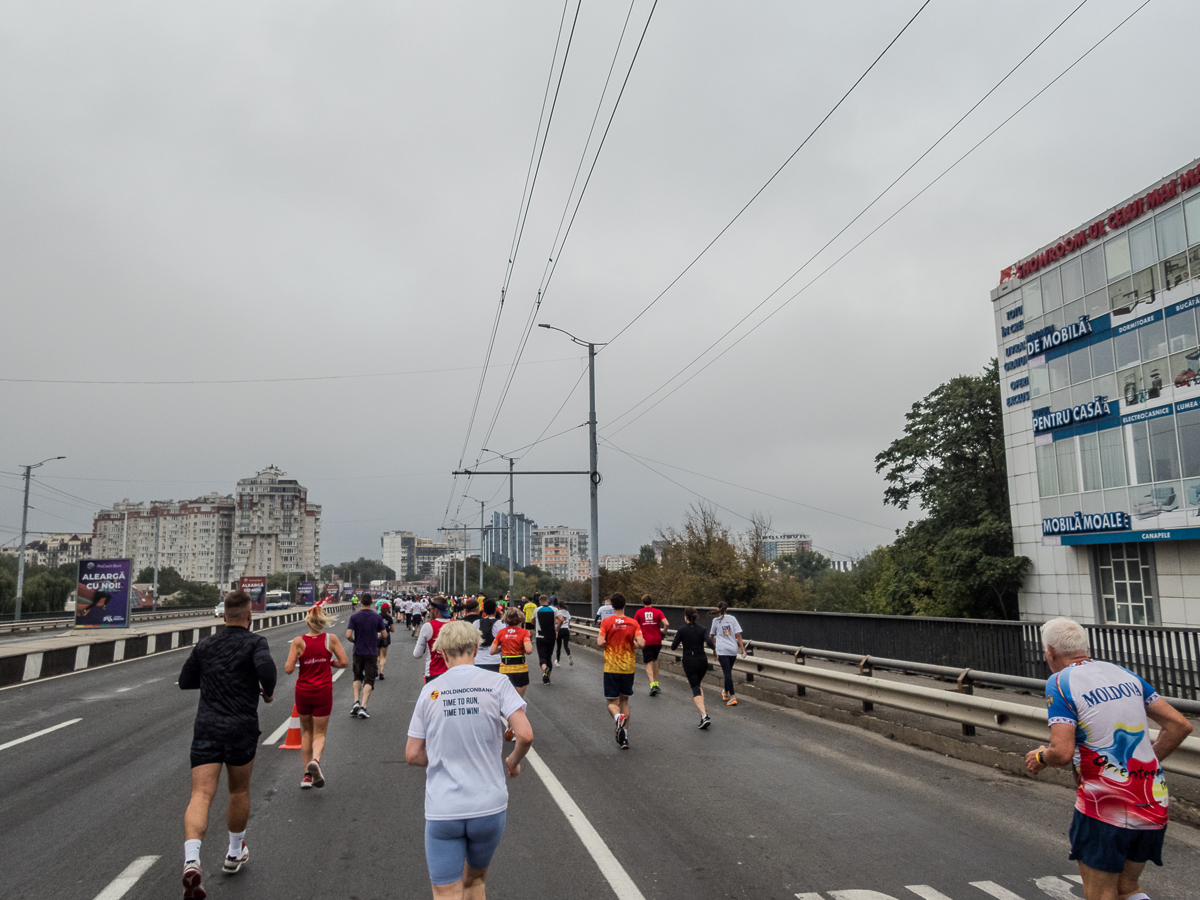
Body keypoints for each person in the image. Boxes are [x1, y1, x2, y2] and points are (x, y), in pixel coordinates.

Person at [1025, 617, 1193, 900]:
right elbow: (1180, 725)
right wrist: (1140, 765)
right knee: (1127, 888)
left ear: (1050, 652)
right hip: (1151, 797)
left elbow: (1062, 752)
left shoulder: (1060, 682)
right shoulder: (1123, 674)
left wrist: (1041, 756)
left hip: (1105, 804)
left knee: (1100, 893)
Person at [406, 621, 532, 900]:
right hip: (488, 805)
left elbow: (413, 754)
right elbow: (524, 734)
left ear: (441, 652)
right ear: (477, 648)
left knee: (445, 891)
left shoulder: (430, 691)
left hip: (444, 808)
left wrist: (444, 756)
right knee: (474, 882)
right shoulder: (497, 683)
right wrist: (512, 761)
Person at [178, 591, 276, 899]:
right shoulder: (255, 642)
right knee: (238, 791)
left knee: (201, 794)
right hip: (240, 729)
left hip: (206, 728)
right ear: (250, 617)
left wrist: (211, 680)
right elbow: (267, 671)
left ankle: (192, 860)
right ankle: (234, 852)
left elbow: (185, 680)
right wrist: (266, 690)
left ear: (223, 616)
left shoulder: (206, 645)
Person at [284, 605, 349, 788]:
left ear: (308, 622)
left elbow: (288, 670)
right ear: (323, 622)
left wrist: (300, 660)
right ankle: (316, 761)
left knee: (307, 733)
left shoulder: (298, 641)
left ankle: (306, 776)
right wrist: (329, 662)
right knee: (320, 733)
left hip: (303, 692)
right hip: (323, 692)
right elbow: (344, 662)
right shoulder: (331, 639)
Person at [596, 593, 644, 750]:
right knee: (624, 701)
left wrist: (608, 643)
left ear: (611, 606)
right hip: (628, 667)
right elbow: (642, 642)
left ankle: (618, 718)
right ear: (625, 604)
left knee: (611, 702)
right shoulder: (633, 622)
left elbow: (600, 642)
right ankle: (625, 738)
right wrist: (635, 645)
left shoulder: (606, 622)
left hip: (611, 667)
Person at [346, 593, 386, 719]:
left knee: (357, 676)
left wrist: (355, 641)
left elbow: (348, 635)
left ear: (360, 602)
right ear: (372, 603)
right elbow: (384, 635)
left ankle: (356, 702)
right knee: (369, 679)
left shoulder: (354, 617)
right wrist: (376, 636)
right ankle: (363, 706)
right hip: (371, 652)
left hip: (358, 651)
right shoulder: (377, 617)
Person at [671, 607, 712, 729]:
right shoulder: (702, 629)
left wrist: (680, 642)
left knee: (695, 688)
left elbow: (673, 647)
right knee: (698, 686)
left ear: (685, 617)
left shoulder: (682, 630)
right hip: (703, 661)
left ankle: (704, 716)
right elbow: (709, 641)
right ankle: (702, 715)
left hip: (690, 661)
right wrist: (715, 651)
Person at [490, 606, 533, 703]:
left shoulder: (501, 632)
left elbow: (492, 651)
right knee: (518, 701)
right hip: (520, 669)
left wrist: (503, 647)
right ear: (520, 619)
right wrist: (520, 647)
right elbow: (529, 650)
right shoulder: (524, 632)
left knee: (506, 701)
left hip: (505, 669)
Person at [708, 601, 746, 706]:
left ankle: (732, 697)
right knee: (728, 671)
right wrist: (743, 649)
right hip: (732, 649)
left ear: (718, 609)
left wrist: (714, 649)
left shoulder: (715, 621)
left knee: (727, 672)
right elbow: (738, 635)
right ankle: (725, 692)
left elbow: (711, 636)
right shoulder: (733, 619)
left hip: (722, 650)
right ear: (727, 609)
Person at [415, 597, 456, 684]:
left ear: (436, 611)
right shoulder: (456, 624)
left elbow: (417, 654)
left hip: (433, 673)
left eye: (430, 610)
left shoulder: (428, 626)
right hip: (453, 673)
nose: (429, 612)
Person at [634, 595, 669, 696]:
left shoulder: (639, 612)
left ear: (643, 602)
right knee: (655, 660)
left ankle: (652, 685)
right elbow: (666, 624)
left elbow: (634, 625)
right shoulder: (658, 612)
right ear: (652, 601)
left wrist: (636, 637)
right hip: (657, 640)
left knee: (648, 662)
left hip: (646, 641)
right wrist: (663, 633)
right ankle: (657, 684)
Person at [534, 595, 559, 684]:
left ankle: (545, 669)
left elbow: (532, 621)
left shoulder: (537, 610)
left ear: (540, 602)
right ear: (547, 601)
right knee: (549, 657)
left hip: (540, 636)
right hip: (551, 636)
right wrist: (557, 629)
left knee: (542, 656)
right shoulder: (554, 609)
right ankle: (547, 679)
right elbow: (561, 619)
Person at [474, 600, 502, 673]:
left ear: (484, 610)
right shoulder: (499, 623)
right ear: (495, 609)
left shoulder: (476, 623)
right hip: (494, 660)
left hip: (478, 660)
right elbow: (503, 641)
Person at [377, 601, 395, 681]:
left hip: (377, 636)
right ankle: (381, 672)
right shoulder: (389, 618)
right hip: (386, 637)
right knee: (383, 656)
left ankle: (374, 670)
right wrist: (387, 628)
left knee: (376, 656)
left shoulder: (377, 617)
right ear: (388, 610)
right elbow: (392, 629)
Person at [554, 598, 572, 666]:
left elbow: (555, 621)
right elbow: (569, 620)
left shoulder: (557, 613)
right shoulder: (567, 612)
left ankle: (558, 661)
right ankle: (569, 655)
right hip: (566, 630)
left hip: (559, 630)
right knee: (566, 646)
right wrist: (567, 625)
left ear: (558, 606)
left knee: (558, 647)